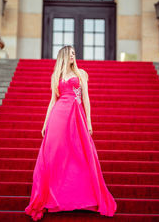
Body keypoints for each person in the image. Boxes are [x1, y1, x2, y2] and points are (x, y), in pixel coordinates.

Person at [25, 45, 117, 220]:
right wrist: (45, 122)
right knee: (57, 155)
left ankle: (80, 195)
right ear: (64, 56)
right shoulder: (56, 76)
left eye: (75, 53)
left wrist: (89, 121)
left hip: (76, 116)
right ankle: (55, 196)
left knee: (78, 155)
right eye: (71, 53)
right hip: (58, 117)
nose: (74, 56)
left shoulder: (81, 74)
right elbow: (53, 100)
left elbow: (86, 99)